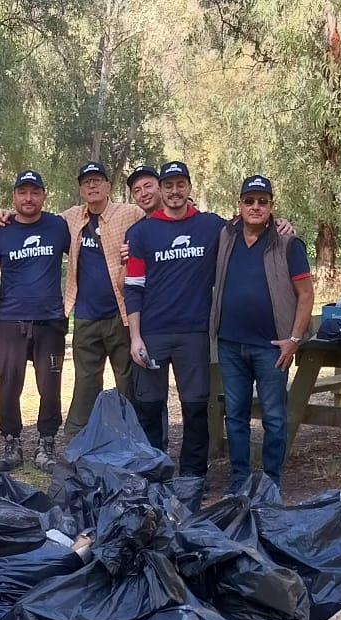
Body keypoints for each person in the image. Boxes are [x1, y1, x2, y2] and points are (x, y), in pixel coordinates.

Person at [123, 160, 227, 492]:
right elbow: (134, 286)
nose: (174, 191)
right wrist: (135, 336)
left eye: (180, 184)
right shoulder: (141, 233)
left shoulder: (212, 226)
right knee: (150, 406)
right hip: (152, 332)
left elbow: (251, 225)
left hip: (194, 333)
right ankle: (154, 471)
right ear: (161, 189)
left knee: (195, 405)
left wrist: (281, 223)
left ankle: (194, 473)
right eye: (168, 186)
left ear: (189, 187)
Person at [211, 175, 313, 489]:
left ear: (271, 206)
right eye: (249, 201)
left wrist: (294, 340)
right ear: (239, 204)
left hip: (272, 347)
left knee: (273, 416)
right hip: (230, 345)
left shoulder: (288, 243)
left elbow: (306, 294)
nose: (255, 207)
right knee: (236, 415)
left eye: (262, 201)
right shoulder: (226, 236)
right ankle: (240, 480)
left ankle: (271, 481)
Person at [0, 170, 69, 472]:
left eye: (35, 192)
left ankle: (46, 442)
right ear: (14, 197)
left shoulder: (59, 226)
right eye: (23, 192)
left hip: (50, 322)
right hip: (9, 320)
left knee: (50, 384)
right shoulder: (0, 232)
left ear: (44, 195)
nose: (28, 198)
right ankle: (12, 442)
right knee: (8, 384)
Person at [59, 162, 145, 441]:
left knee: (126, 381)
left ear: (109, 186)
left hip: (121, 314)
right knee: (85, 381)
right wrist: (5, 215)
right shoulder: (71, 218)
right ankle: (77, 439)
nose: (92, 186)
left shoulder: (130, 213)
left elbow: (164, 218)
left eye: (98, 181)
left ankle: (129, 439)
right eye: (87, 183)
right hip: (85, 314)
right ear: (81, 190)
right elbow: (35, 220)